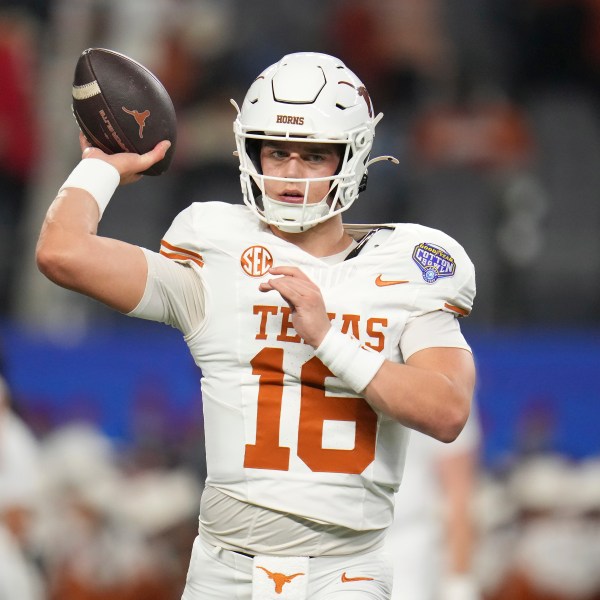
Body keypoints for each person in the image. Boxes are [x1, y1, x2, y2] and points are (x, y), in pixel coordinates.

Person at [36, 52, 477, 600]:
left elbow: (448, 410)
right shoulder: (215, 255)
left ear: (353, 156)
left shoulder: (407, 265)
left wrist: (330, 338)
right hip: (222, 568)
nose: (290, 175)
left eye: (314, 156)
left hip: (343, 573)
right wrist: (101, 165)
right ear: (250, 152)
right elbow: (63, 253)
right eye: (276, 152)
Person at [385, 406, 482, 600]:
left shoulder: (438, 379)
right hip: (329, 542)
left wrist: (459, 581)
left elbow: (458, 491)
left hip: (405, 549)